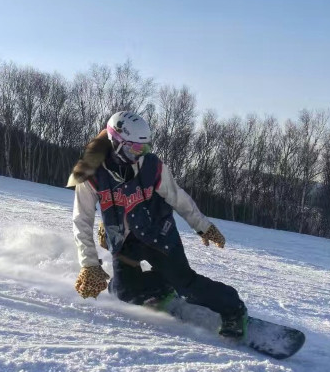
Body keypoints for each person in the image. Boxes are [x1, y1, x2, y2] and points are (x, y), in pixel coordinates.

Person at [68, 111, 248, 339]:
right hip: (124, 240)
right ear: (116, 143)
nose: (140, 154)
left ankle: (233, 308)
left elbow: (178, 197)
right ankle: (161, 288)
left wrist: (203, 226)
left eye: (144, 149)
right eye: (134, 149)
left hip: (159, 235)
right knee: (123, 292)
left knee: (187, 285)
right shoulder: (91, 174)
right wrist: (90, 265)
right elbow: (81, 220)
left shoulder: (152, 166)